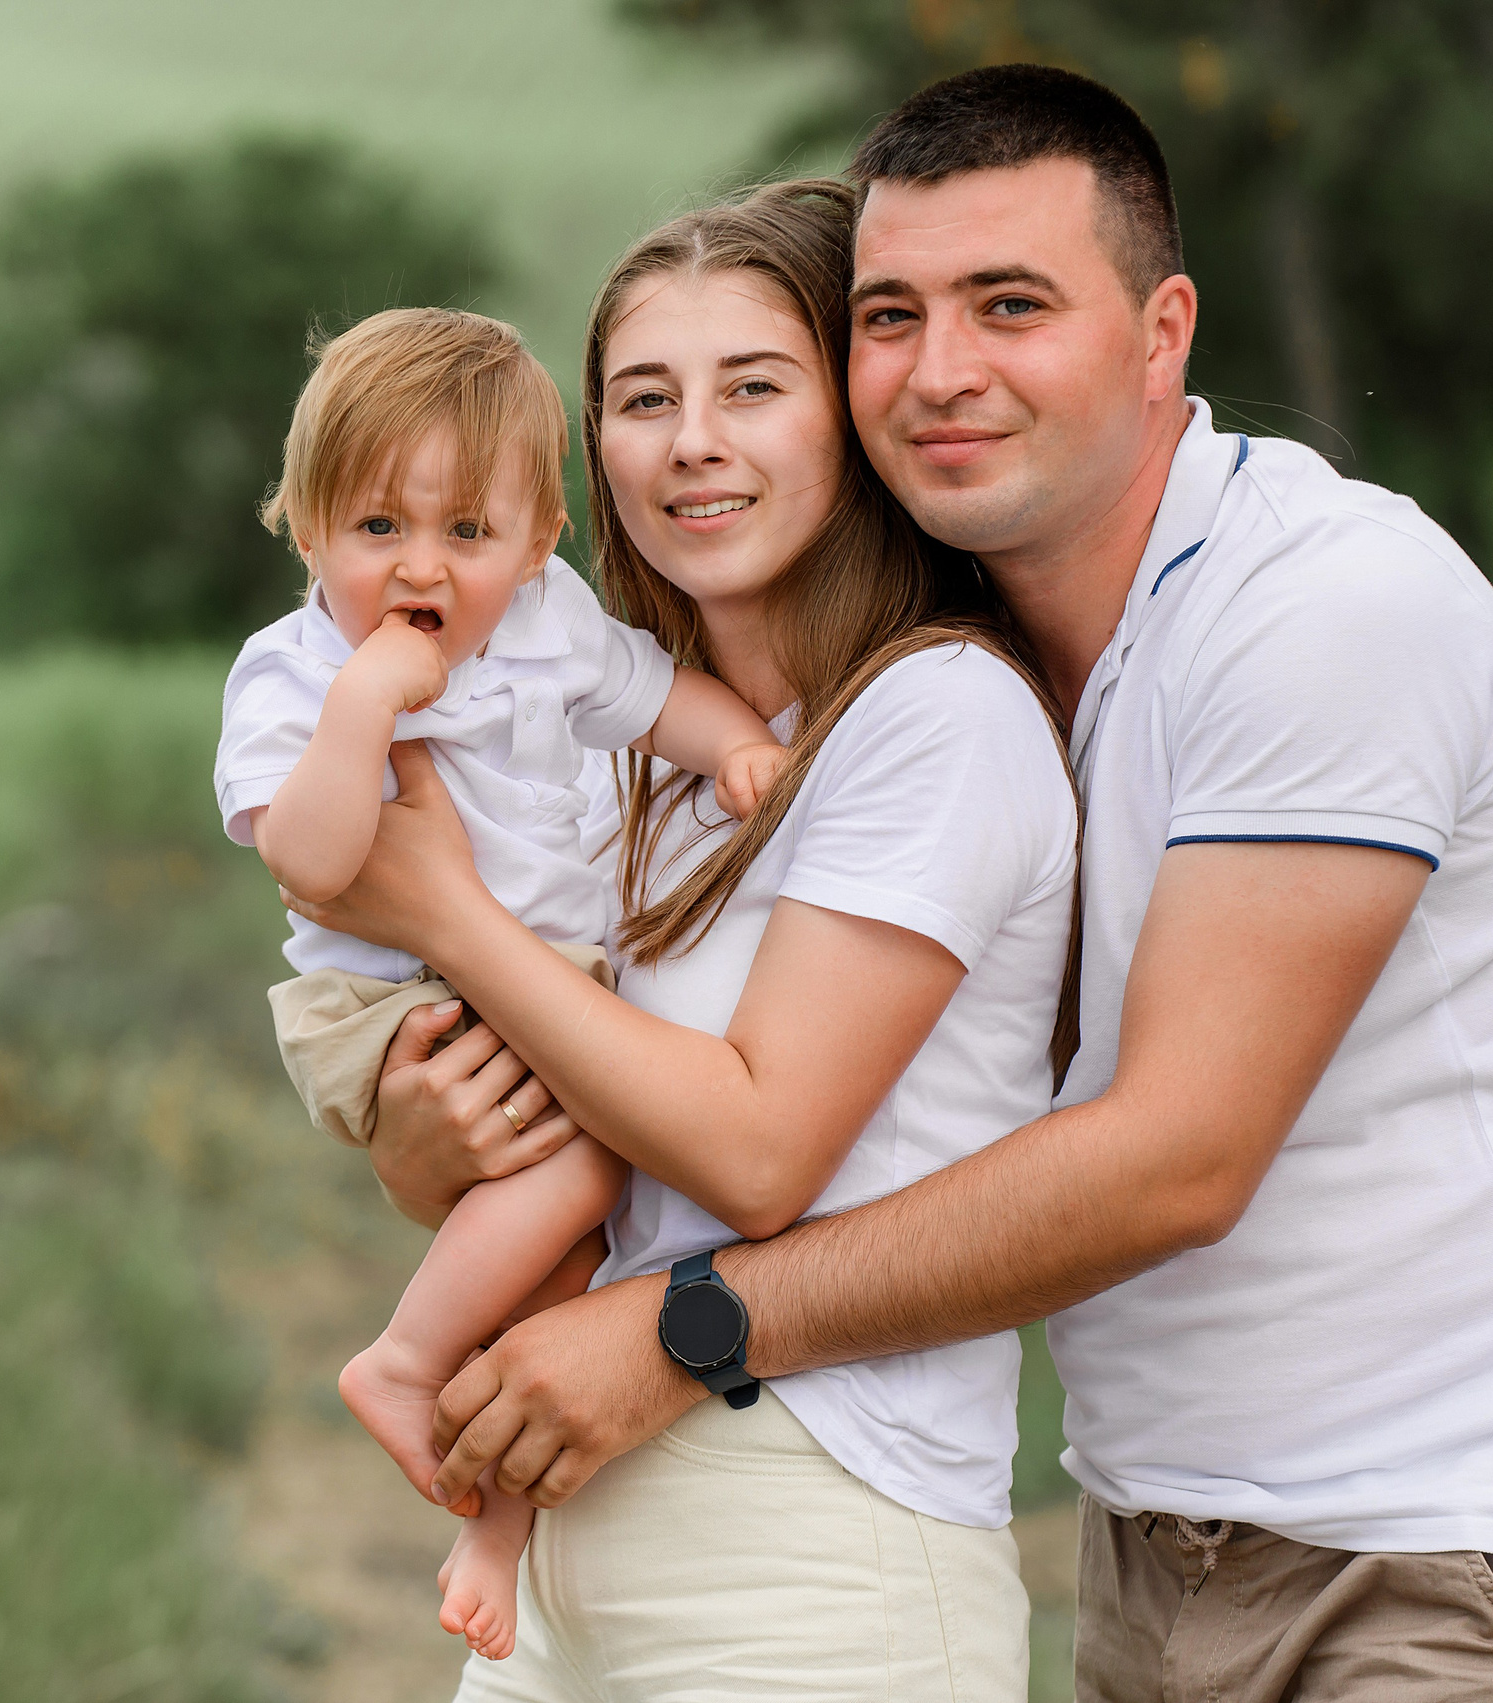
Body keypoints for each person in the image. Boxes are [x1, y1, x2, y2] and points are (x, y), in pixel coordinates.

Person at [320, 66, 1493, 1703]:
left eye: (1011, 304)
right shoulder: (861, 675)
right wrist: (429, 1141)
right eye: (894, 315)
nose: (942, 371)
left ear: (1163, 331)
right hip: (1166, 1519)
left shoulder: (1323, 613)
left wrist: (676, 1329)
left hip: (1467, 1510)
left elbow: (1171, 1158)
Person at [293, 180, 1080, 1697]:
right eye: (644, 400)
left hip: (811, 1536)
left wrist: (441, 909)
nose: (692, 441)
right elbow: (531, 1145)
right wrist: (412, 1136)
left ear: (851, 424)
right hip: (560, 1516)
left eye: (755, 389)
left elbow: (756, 1154)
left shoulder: (933, 718)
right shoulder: (604, 751)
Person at [214, 306, 786, 1657]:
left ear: (538, 546)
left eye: (466, 533)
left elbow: (650, 697)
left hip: (522, 983)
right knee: (594, 1172)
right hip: (386, 1010)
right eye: (376, 528)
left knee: (574, 1257)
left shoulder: (547, 630)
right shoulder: (297, 675)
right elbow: (304, 861)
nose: (421, 567)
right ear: (305, 527)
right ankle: (402, 1362)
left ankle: (495, 1517)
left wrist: (739, 750)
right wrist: (368, 704)